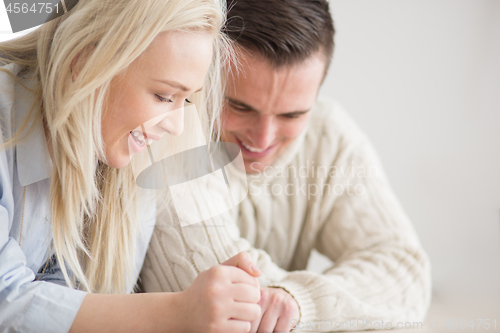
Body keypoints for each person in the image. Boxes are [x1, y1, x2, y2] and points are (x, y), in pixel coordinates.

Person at [140, 0, 432, 332]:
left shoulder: (329, 134)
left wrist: (300, 302)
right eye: (239, 106)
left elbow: (405, 270)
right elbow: (237, 310)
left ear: (321, 81)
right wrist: (348, 308)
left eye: (292, 114)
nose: (263, 138)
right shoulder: (173, 132)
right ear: (205, 67)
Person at [0, 0, 264, 332]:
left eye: (188, 99)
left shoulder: (129, 164)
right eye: (165, 96)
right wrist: (177, 312)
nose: (176, 126)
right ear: (84, 63)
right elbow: (6, 302)